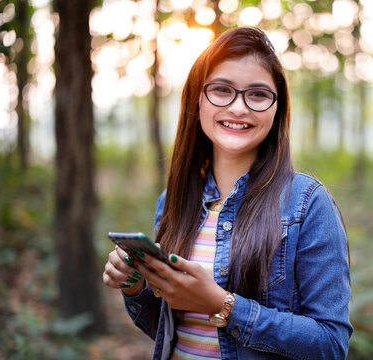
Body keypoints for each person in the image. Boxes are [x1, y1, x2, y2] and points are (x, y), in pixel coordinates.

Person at [102, 27, 352, 359]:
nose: (238, 108)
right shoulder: (174, 201)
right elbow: (172, 331)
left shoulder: (307, 204)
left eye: (258, 94)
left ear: (277, 109)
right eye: (222, 90)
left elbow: (330, 344)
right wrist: (134, 287)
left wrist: (223, 305)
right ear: (198, 99)